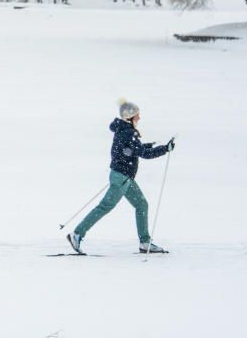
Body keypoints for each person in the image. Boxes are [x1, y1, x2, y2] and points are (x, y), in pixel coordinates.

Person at [68, 100, 174, 254]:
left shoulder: (124, 130)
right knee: (105, 207)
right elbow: (143, 154)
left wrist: (148, 145)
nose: (139, 118)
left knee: (142, 205)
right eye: (137, 116)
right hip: (121, 178)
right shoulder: (128, 132)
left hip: (124, 177)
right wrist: (165, 149)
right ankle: (77, 234)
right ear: (129, 117)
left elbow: (134, 149)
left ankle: (145, 242)